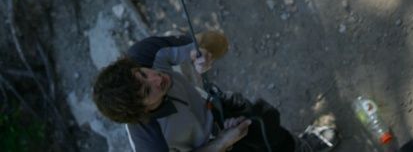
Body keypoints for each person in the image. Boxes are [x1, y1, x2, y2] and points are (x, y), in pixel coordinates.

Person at [92, 30, 338, 151]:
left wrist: (204, 52)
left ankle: (302, 147)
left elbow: (218, 41)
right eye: (147, 91)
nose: (157, 78)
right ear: (141, 113)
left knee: (267, 128)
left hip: (215, 110)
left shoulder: (142, 56)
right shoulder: (150, 142)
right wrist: (221, 143)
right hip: (210, 146)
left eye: (143, 74)